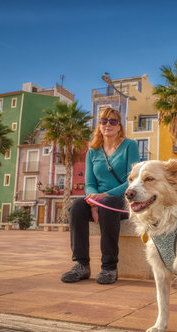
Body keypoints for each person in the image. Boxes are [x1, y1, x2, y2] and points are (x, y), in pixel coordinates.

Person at [61, 107, 140, 285]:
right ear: (99, 126)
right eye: (104, 121)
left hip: (123, 200)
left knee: (108, 203)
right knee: (77, 207)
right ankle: (81, 265)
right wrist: (93, 201)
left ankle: (109, 267)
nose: (108, 125)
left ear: (119, 126)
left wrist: (105, 196)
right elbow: (89, 183)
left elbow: (133, 180)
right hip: (99, 201)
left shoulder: (130, 145)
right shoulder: (92, 152)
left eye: (113, 121)